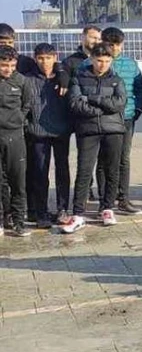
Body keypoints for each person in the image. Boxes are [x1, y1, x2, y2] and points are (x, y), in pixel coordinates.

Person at [63, 44, 127, 233]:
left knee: (111, 170)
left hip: (114, 130)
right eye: (99, 60)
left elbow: (120, 103)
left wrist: (93, 99)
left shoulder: (117, 80)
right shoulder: (79, 78)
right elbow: (75, 104)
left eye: (107, 61)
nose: (103, 65)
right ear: (91, 59)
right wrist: (99, 111)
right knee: (84, 170)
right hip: (88, 130)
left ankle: (107, 208)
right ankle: (78, 213)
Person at [95, 27, 142, 215]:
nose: (115, 49)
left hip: (125, 118)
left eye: (118, 45)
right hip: (101, 119)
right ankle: (103, 201)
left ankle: (123, 198)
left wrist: (138, 109)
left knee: (123, 159)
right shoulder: (92, 63)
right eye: (111, 44)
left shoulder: (130, 64)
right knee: (103, 160)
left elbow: (140, 88)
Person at [23, 43, 71, 229]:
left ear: (55, 57)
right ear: (35, 59)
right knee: (40, 173)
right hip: (37, 133)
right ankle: (41, 212)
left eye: (48, 58)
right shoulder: (27, 79)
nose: (45, 62)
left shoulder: (63, 78)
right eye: (41, 58)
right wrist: (28, 125)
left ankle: (62, 209)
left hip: (60, 131)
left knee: (62, 171)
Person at [0, 45, 33, 237]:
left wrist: (18, 120)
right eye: (4, 65)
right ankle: (3, 219)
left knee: (18, 179)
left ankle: (19, 221)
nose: (8, 69)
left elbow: (27, 105)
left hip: (15, 136)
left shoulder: (21, 81)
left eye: (12, 65)